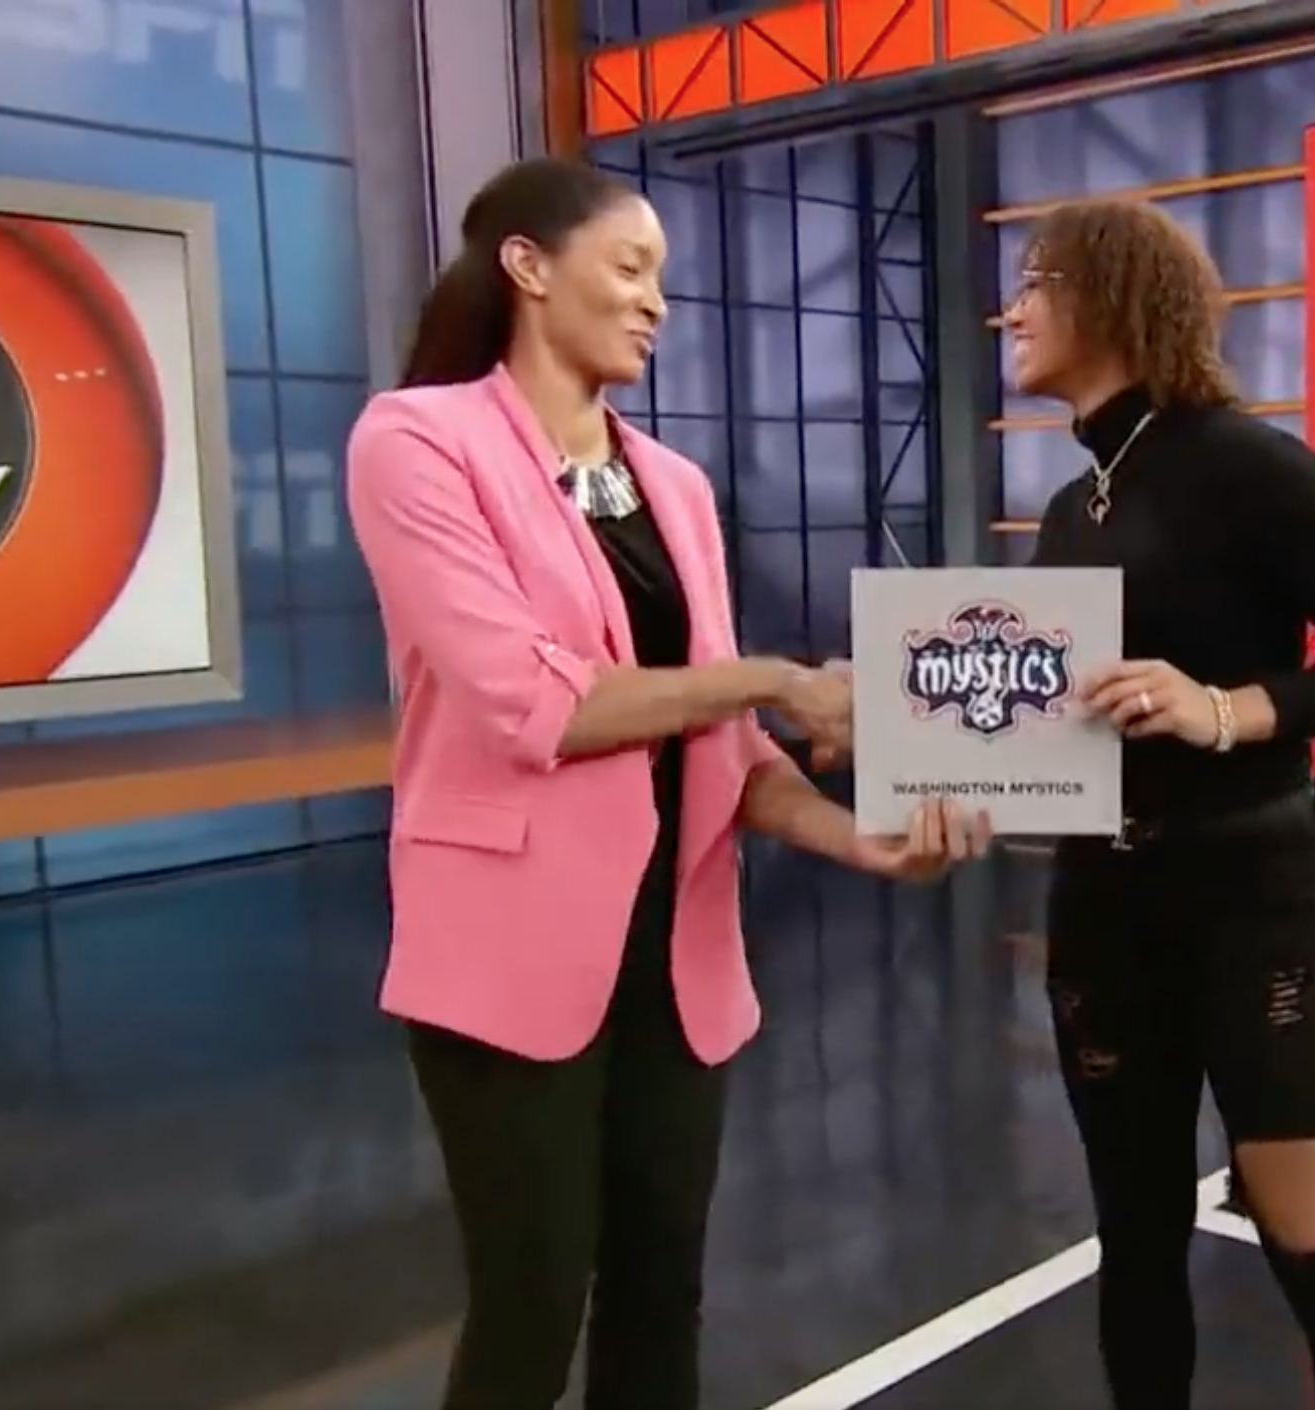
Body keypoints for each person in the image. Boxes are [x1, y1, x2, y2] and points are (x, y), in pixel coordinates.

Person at [345, 157, 990, 1410]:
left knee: (660, 1291)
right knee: (530, 1307)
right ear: (528, 267)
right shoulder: (416, 442)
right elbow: (539, 702)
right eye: (630, 269)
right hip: (504, 951)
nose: (655, 304)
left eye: (663, 281)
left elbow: (717, 745)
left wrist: (861, 839)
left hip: (675, 955)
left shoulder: (674, 487)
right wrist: (772, 678)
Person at [1007, 197, 1315, 1409]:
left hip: (1254, 898)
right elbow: (1043, 718)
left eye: (1036, 279)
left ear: (1108, 292)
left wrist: (1224, 709)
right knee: (1133, 1243)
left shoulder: (1244, 464)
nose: (1013, 306)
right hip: (1100, 903)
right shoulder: (1065, 511)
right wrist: (928, 767)